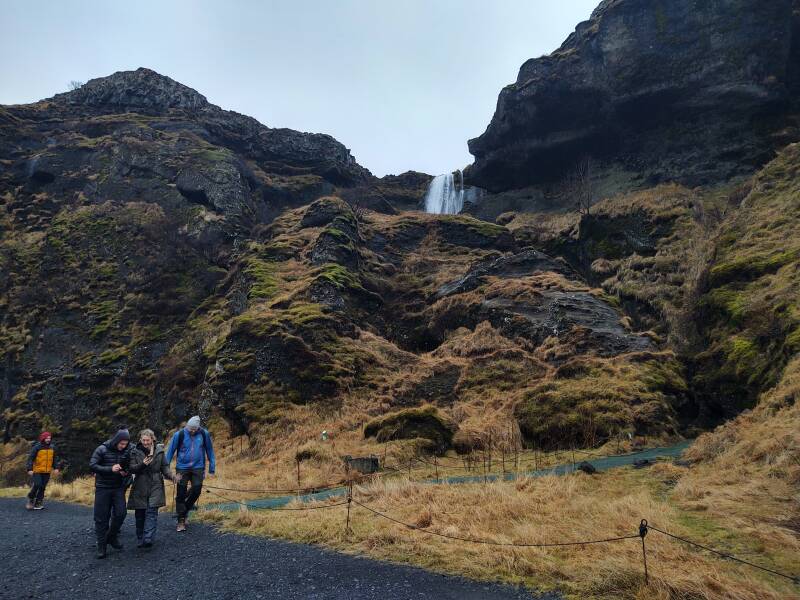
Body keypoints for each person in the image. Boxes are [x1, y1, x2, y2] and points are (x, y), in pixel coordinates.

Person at [165, 415, 215, 532]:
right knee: (181, 493)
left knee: (196, 490)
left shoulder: (204, 434)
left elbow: (210, 450)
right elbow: (170, 451)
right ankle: (181, 521)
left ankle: (184, 511)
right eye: (190, 428)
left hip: (198, 467)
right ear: (187, 426)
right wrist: (166, 469)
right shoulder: (180, 435)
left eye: (194, 429)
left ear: (198, 428)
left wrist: (212, 467)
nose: (192, 431)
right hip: (182, 468)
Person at [128, 429, 175, 548]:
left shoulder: (159, 451)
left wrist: (172, 476)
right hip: (140, 484)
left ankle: (148, 537)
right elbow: (132, 468)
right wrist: (143, 464)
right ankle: (140, 537)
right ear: (140, 440)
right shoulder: (134, 451)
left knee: (152, 511)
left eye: (147, 440)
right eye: (143, 440)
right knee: (140, 513)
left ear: (152, 439)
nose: (145, 442)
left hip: (156, 484)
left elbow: (165, 467)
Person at [89, 427, 131, 558]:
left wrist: (125, 472)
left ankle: (111, 537)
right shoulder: (101, 449)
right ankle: (101, 546)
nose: (123, 446)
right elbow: (92, 465)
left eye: (125, 444)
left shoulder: (125, 452)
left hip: (118, 487)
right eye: (122, 444)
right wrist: (110, 469)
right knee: (101, 517)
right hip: (102, 487)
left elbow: (128, 467)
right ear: (116, 440)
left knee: (121, 513)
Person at [25, 431, 61, 510]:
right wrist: (29, 469)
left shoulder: (52, 447)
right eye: (47, 438)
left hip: (47, 471)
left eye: (49, 438)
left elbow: (55, 459)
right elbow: (30, 458)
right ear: (43, 438)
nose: (48, 439)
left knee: (42, 487)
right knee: (37, 484)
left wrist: (56, 468)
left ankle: (38, 502)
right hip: (37, 470)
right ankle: (31, 498)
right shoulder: (37, 447)